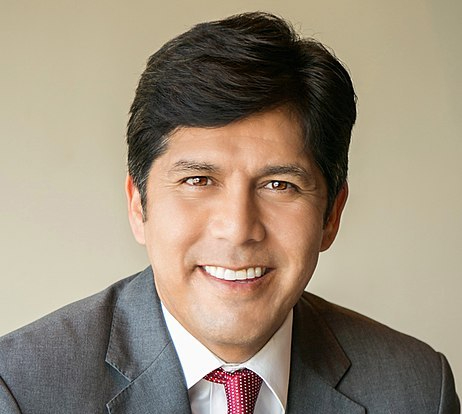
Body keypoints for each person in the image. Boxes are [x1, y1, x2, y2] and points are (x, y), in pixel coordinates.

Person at [0, 11, 459, 414]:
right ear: (138, 204)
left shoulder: (418, 390)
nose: (238, 229)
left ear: (332, 215)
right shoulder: (21, 389)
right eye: (198, 180)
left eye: (279, 185)